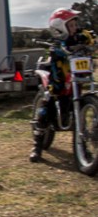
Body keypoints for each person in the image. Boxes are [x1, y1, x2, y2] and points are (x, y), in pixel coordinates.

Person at [30, 8, 95, 162]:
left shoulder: (79, 36)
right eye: (70, 25)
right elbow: (57, 50)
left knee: (80, 116)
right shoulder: (56, 45)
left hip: (75, 82)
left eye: (74, 25)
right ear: (59, 28)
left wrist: (90, 40)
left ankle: (82, 148)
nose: (74, 28)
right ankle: (37, 145)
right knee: (46, 109)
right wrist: (60, 49)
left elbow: (90, 37)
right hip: (58, 85)